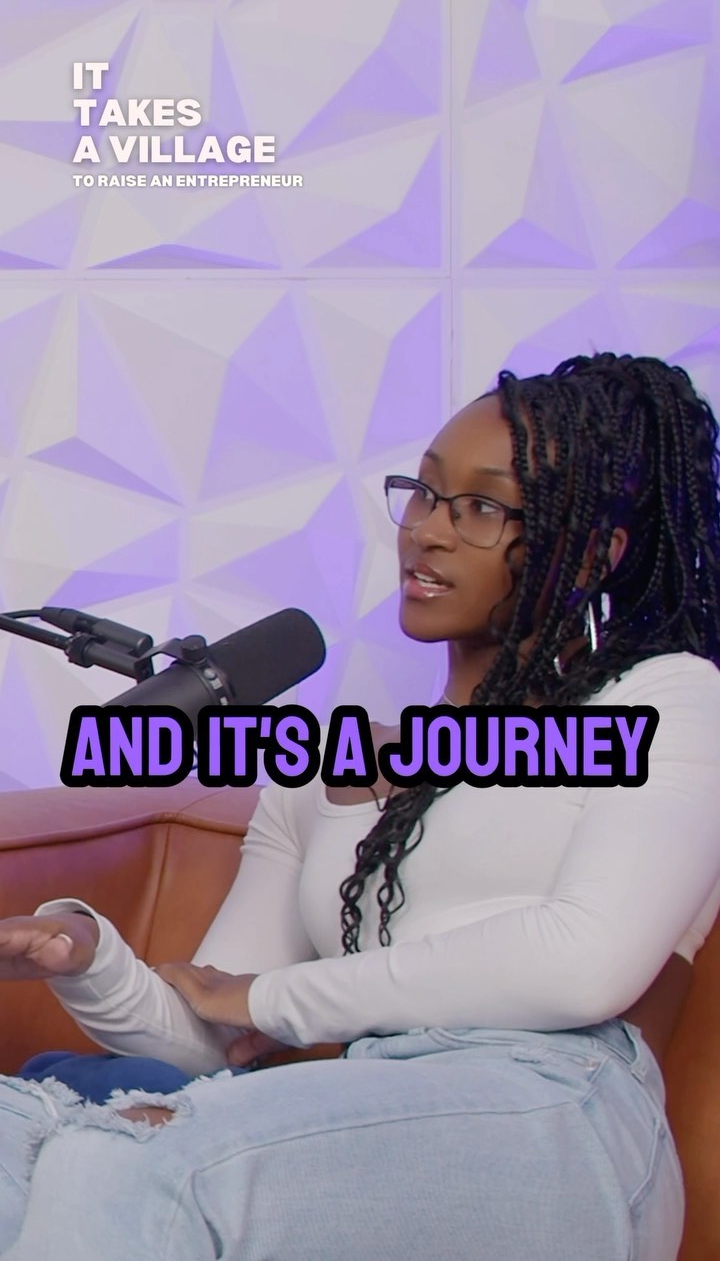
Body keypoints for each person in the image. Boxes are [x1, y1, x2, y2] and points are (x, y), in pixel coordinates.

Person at [0, 351, 719, 1261]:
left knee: (127, 1163)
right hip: (366, 1099)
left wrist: (273, 999)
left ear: (591, 553)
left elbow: (584, 965)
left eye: (482, 508)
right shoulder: (323, 771)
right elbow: (218, 1035)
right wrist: (89, 960)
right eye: (424, 494)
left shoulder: (666, 699)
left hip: (560, 1115)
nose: (428, 531)